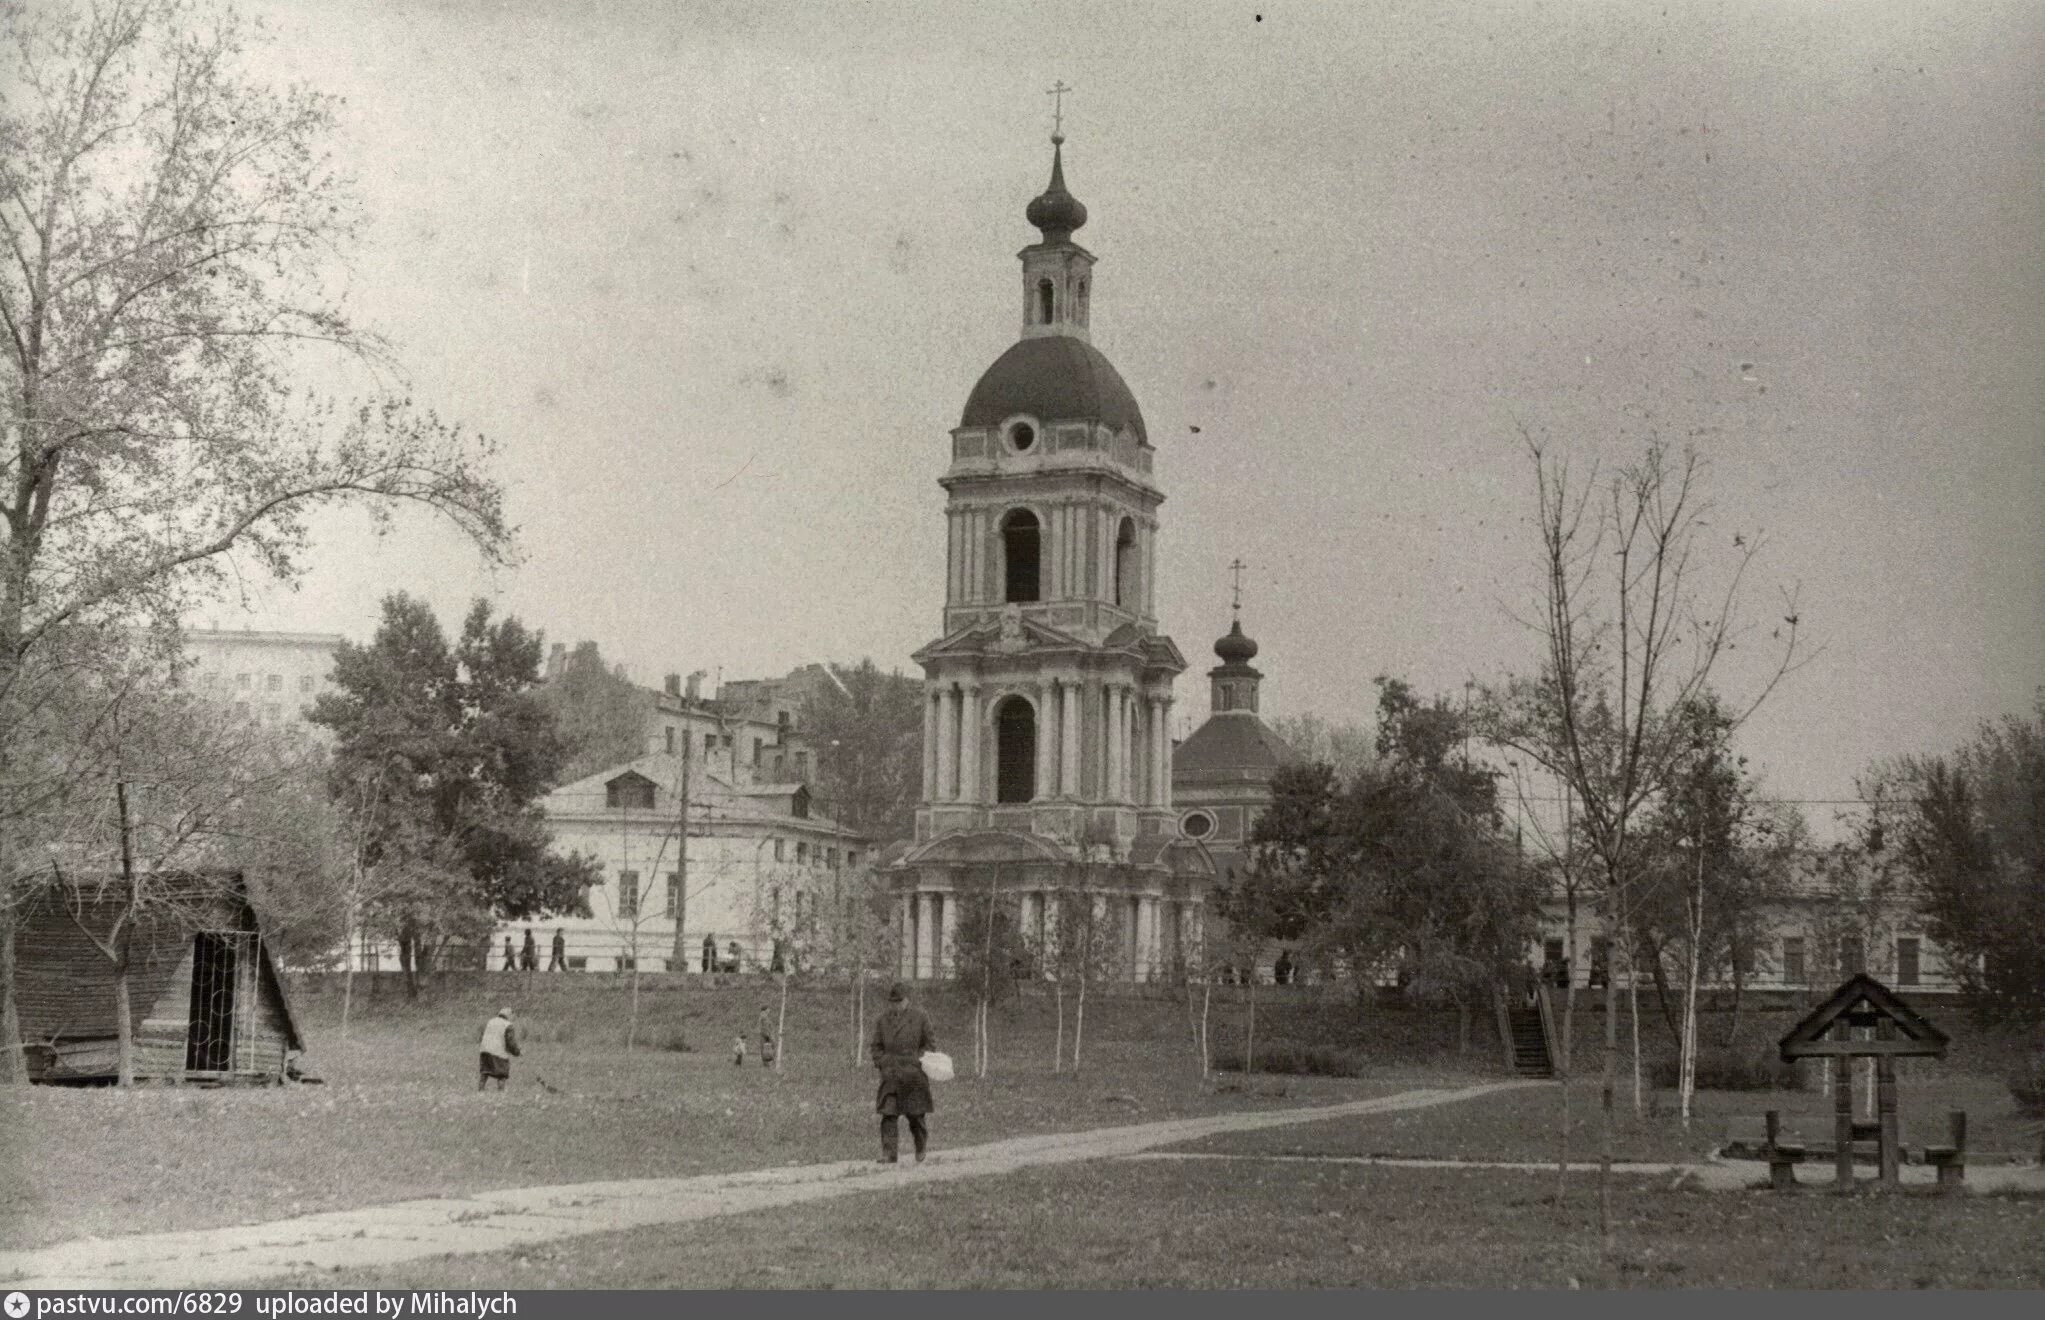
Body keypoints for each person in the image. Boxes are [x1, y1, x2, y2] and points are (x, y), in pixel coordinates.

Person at [868, 981, 934, 1164]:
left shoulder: (920, 1017)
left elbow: (930, 1045)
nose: (895, 1005)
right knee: (888, 1114)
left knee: (915, 1116)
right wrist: (882, 1063)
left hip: (913, 1076)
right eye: (892, 1001)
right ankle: (889, 1154)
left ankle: (921, 1148)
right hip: (891, 1075)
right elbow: (876, 1046)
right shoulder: (883, 1020)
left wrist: (916, 1062)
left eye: (899, 1001)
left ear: (907, 1000)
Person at [478, 1007, 521, 1091]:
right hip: (498, 1053)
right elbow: (510, 1043)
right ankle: (500, 1093)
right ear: (509, 1015)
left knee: (484, 1073)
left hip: (484, 1050)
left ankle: (480, 1091)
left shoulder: (491, 1021)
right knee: (502, 1075)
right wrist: (517, 1052)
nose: (513, 1019)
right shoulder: (508, 1025)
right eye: (513, 1016)